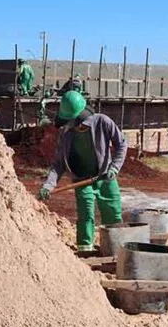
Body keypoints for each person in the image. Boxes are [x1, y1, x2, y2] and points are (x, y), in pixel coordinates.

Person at [38, 91, 127, 251]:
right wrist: (48, 185)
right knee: (86, 217)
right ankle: (85, 250)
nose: (67, 124)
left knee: (113, 214)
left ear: (78, 117)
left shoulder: (103, 122)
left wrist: (114, 167)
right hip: (82, 180)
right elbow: (58, 165)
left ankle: (116, 249)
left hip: (105, 177)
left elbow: (121, 144)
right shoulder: (65, 135)